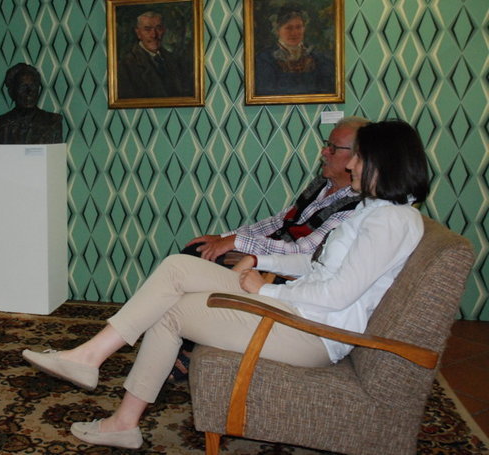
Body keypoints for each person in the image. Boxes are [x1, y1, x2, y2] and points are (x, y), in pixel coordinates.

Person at [23, 119, 429, 449]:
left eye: (358, 156)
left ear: (382, 161)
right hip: (296, 309)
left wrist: (264, 289)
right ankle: (90, 359)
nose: (351, 164)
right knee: (177, 267)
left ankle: (122, 421)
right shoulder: (375, 210)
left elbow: (338, 294)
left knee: (173, 312)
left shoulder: (390, 221)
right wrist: (260, 260)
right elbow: (317, 262)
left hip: (312, 332)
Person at [170, 115, 368, 380]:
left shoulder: (356, 206)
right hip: (269, 255)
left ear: (359, 157)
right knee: (197, 250)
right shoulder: (323, 185)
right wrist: (223, 237)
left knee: (198, 262)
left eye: (333, 148)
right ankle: (182, 341)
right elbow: (279, 221)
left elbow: (306, 251)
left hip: (284, 271)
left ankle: (187, 346)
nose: (324, 152)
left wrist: (239, 244)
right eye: (326, 144)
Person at [255, 5, 335, 96]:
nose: (294, 33)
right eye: (289, 28)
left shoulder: (318, 59)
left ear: (304, 28)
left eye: (299, 27)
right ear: (277, 30)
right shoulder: (264, 59)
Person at [117, 11, 193, 99]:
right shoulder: (125, 66)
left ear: (163, 30)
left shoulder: (174, 60)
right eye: (147, 29)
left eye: (158, 28)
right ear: (138, 33)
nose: (154, 35)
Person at [0, 63, 63, 144]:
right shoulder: (3, 124)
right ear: (11, 92)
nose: (29, 92)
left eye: (33, 86)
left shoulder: (53, 122)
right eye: (23, 87)